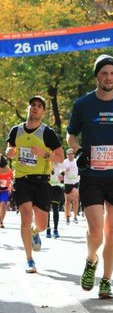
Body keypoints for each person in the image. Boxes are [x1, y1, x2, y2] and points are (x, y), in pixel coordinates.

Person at [66, 54, 113, 299]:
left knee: (112, 231)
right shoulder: (82, 105)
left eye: (112, 74)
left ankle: (106, 280)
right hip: (92, 175)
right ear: (97, 76)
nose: (108, 78)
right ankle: (91, 258)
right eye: (104, 73)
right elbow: (71, 135)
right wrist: (78, 152)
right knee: (96, 231)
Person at [5, 95, 64, 273]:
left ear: (43, 112)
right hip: (22, 181)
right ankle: (29, 259)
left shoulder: (47, 133)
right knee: (25, 215)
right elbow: (10, 149)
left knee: (42, 224)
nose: (35, 108)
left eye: (39, 106)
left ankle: (35, 231)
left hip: (41, 182)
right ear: (28, 109)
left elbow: (60, 157)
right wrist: (10, 152)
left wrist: (43, 154)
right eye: (33, 105)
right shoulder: (16, 130)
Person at [46, 161, 64, 238]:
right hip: (47, 187)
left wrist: (62, 176)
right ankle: (48, 229)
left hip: (57, 187)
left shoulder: (60, 162)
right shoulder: (47, 161)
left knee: (55, 208)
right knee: (47, 209)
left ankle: (55, 229)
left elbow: (63, 172)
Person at [62, 148, 80, 225]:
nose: (70, 155)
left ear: (74, 154)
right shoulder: (64, 162)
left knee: (75, 200)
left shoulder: (77, 161)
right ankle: (68, 216)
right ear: (67, 155)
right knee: (68, 201)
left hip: (75, 182)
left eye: (71, 154)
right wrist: (65, 171)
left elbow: (81, 169)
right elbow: (61, 172)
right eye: (68, 154)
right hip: (67, 182)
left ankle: (75, 217)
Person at [0, 154, 13, 228]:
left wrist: (11, 185)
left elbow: (12, 179)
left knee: (3, 205)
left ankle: (1, 221)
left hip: (5, 190)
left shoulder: (8, 170)